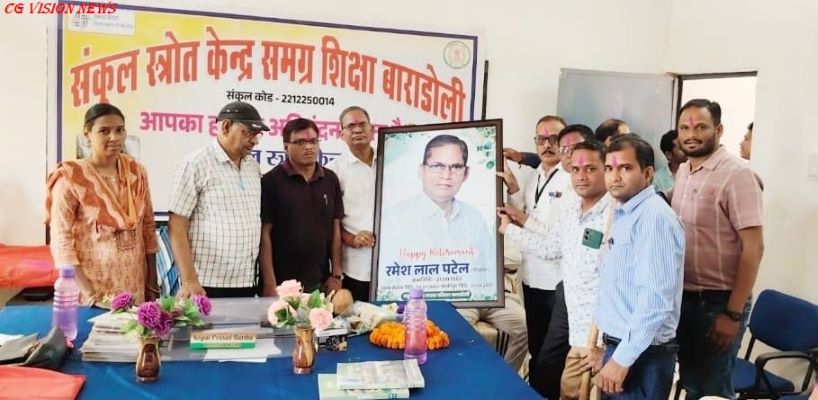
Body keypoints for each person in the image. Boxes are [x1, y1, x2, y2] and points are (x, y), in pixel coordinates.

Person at [379, 134, 527, 371]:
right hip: (451, 300)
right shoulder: (396, 218)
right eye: (437, 166)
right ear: (421, 170)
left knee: (526, 326)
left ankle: (501, 379)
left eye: (455, 167)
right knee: (453, 335)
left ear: (465, 173)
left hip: (486, 295)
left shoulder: (474, 216)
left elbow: (488, 260)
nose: (446, 175)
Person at [500, 140, 613, 399]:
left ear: (606, 169)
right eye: (575, 169)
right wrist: (509, 229)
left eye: (590, 169)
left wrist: (607, 345)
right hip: (577, 327)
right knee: (565, 387)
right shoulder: (572, 208)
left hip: (603, 336)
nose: (581, 176)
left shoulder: (616, 214)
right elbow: (550, 247)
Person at [673, 99, 764, 399]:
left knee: (713, 390)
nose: (691, 135)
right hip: (684, 296)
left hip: (719, 302)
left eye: (700, 127)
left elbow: (754, 248)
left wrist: (733, 314)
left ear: (719, 129)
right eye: (684, 128)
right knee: (691, 381)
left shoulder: (737, 175)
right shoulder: (684, 170)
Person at [594, 135, 685, 398]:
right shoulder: (626, 211)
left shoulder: (654, 218)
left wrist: (622, 359)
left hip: (642, 355)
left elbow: (655, 300)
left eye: (625, 168)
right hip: (621, 345)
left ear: (647, 173)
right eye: (609, 169)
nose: (614, 177)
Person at [46, 103, 159, 305]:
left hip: (135, 286)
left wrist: (151, 282)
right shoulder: (71, 177)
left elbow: (148, 227)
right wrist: (91, 295)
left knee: (135, 327)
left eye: (120, 130)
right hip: (92, 291)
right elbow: (61, 239)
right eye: (104, 131)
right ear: (87, 134)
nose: (114, 137)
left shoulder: (137, 172)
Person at [167, 101, 267, 298]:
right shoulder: (195, 164)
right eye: (249, 133)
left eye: (257, 135)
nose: (255, 141)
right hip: (204, 283)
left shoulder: (252, 167)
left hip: (246, 281)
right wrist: (189, 280)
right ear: (226, 127)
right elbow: (177, 226)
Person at [496, 115, 570, 375]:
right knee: (537, 348)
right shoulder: (534, 175)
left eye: (554, 139)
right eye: (541, 139)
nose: (547, 144)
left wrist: (518, 221)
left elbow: (556, 240)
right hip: (530, 278)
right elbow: (523, 215)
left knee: (553, 357)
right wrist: (513, 189)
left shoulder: (571, 180)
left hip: (556, 281)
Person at [260, 118, 344, 294]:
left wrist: (336, 275)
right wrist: (269, 283)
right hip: (281, 284)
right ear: (286, 147)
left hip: (321, 282)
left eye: (313, 141)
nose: (309, 147)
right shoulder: (270, 182)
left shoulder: (330, 179)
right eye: (300, 142)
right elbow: (264, 234)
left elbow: (335, 227)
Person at [326, 106, 377, 301]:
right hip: (356, 266)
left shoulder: (390, 162)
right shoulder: (334, 171)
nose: (357, 130)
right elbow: (329, 221)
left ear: (372, 130)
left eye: (362, 124)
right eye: (351, 126)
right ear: (342, 134)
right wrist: (351, 238)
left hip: (394, 266)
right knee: (358, 317)